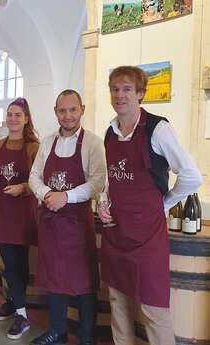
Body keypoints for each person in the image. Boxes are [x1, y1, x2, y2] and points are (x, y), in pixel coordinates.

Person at [98, 66, 202, 345]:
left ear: (141, 93)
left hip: (147, 238)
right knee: (117, 302)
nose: (120, 95)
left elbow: (192, 176)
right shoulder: (109, 133)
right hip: (116, 233)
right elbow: (111, 179)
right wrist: (104, 202)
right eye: (115, 89)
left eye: (127, 89)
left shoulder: (158, 129)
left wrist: (164, 203)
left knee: (153, 308)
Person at [29, 90, 106, 345]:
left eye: (73, 110)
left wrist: (67, 197)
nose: (68, 115)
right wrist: (48, 193)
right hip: (51, 222)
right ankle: (57, 331)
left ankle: (86, 336)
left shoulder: (93, 143)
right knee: (54, 279)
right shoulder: (47, 142)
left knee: (83, 282)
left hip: (76, 222)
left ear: (82, 109)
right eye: (62, 110)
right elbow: (34, 177)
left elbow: (97, 182)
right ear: (55, 111)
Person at [0, 97, 39, 340]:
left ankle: (19, 309)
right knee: (9, 262)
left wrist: (23, 187)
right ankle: (19, 308)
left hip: (23, 213)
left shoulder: (34, 148)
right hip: (0, 211)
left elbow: (39, 181)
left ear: (26, 119)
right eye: (10, 114)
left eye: (18, 114)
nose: (13, 119)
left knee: (19, 263)